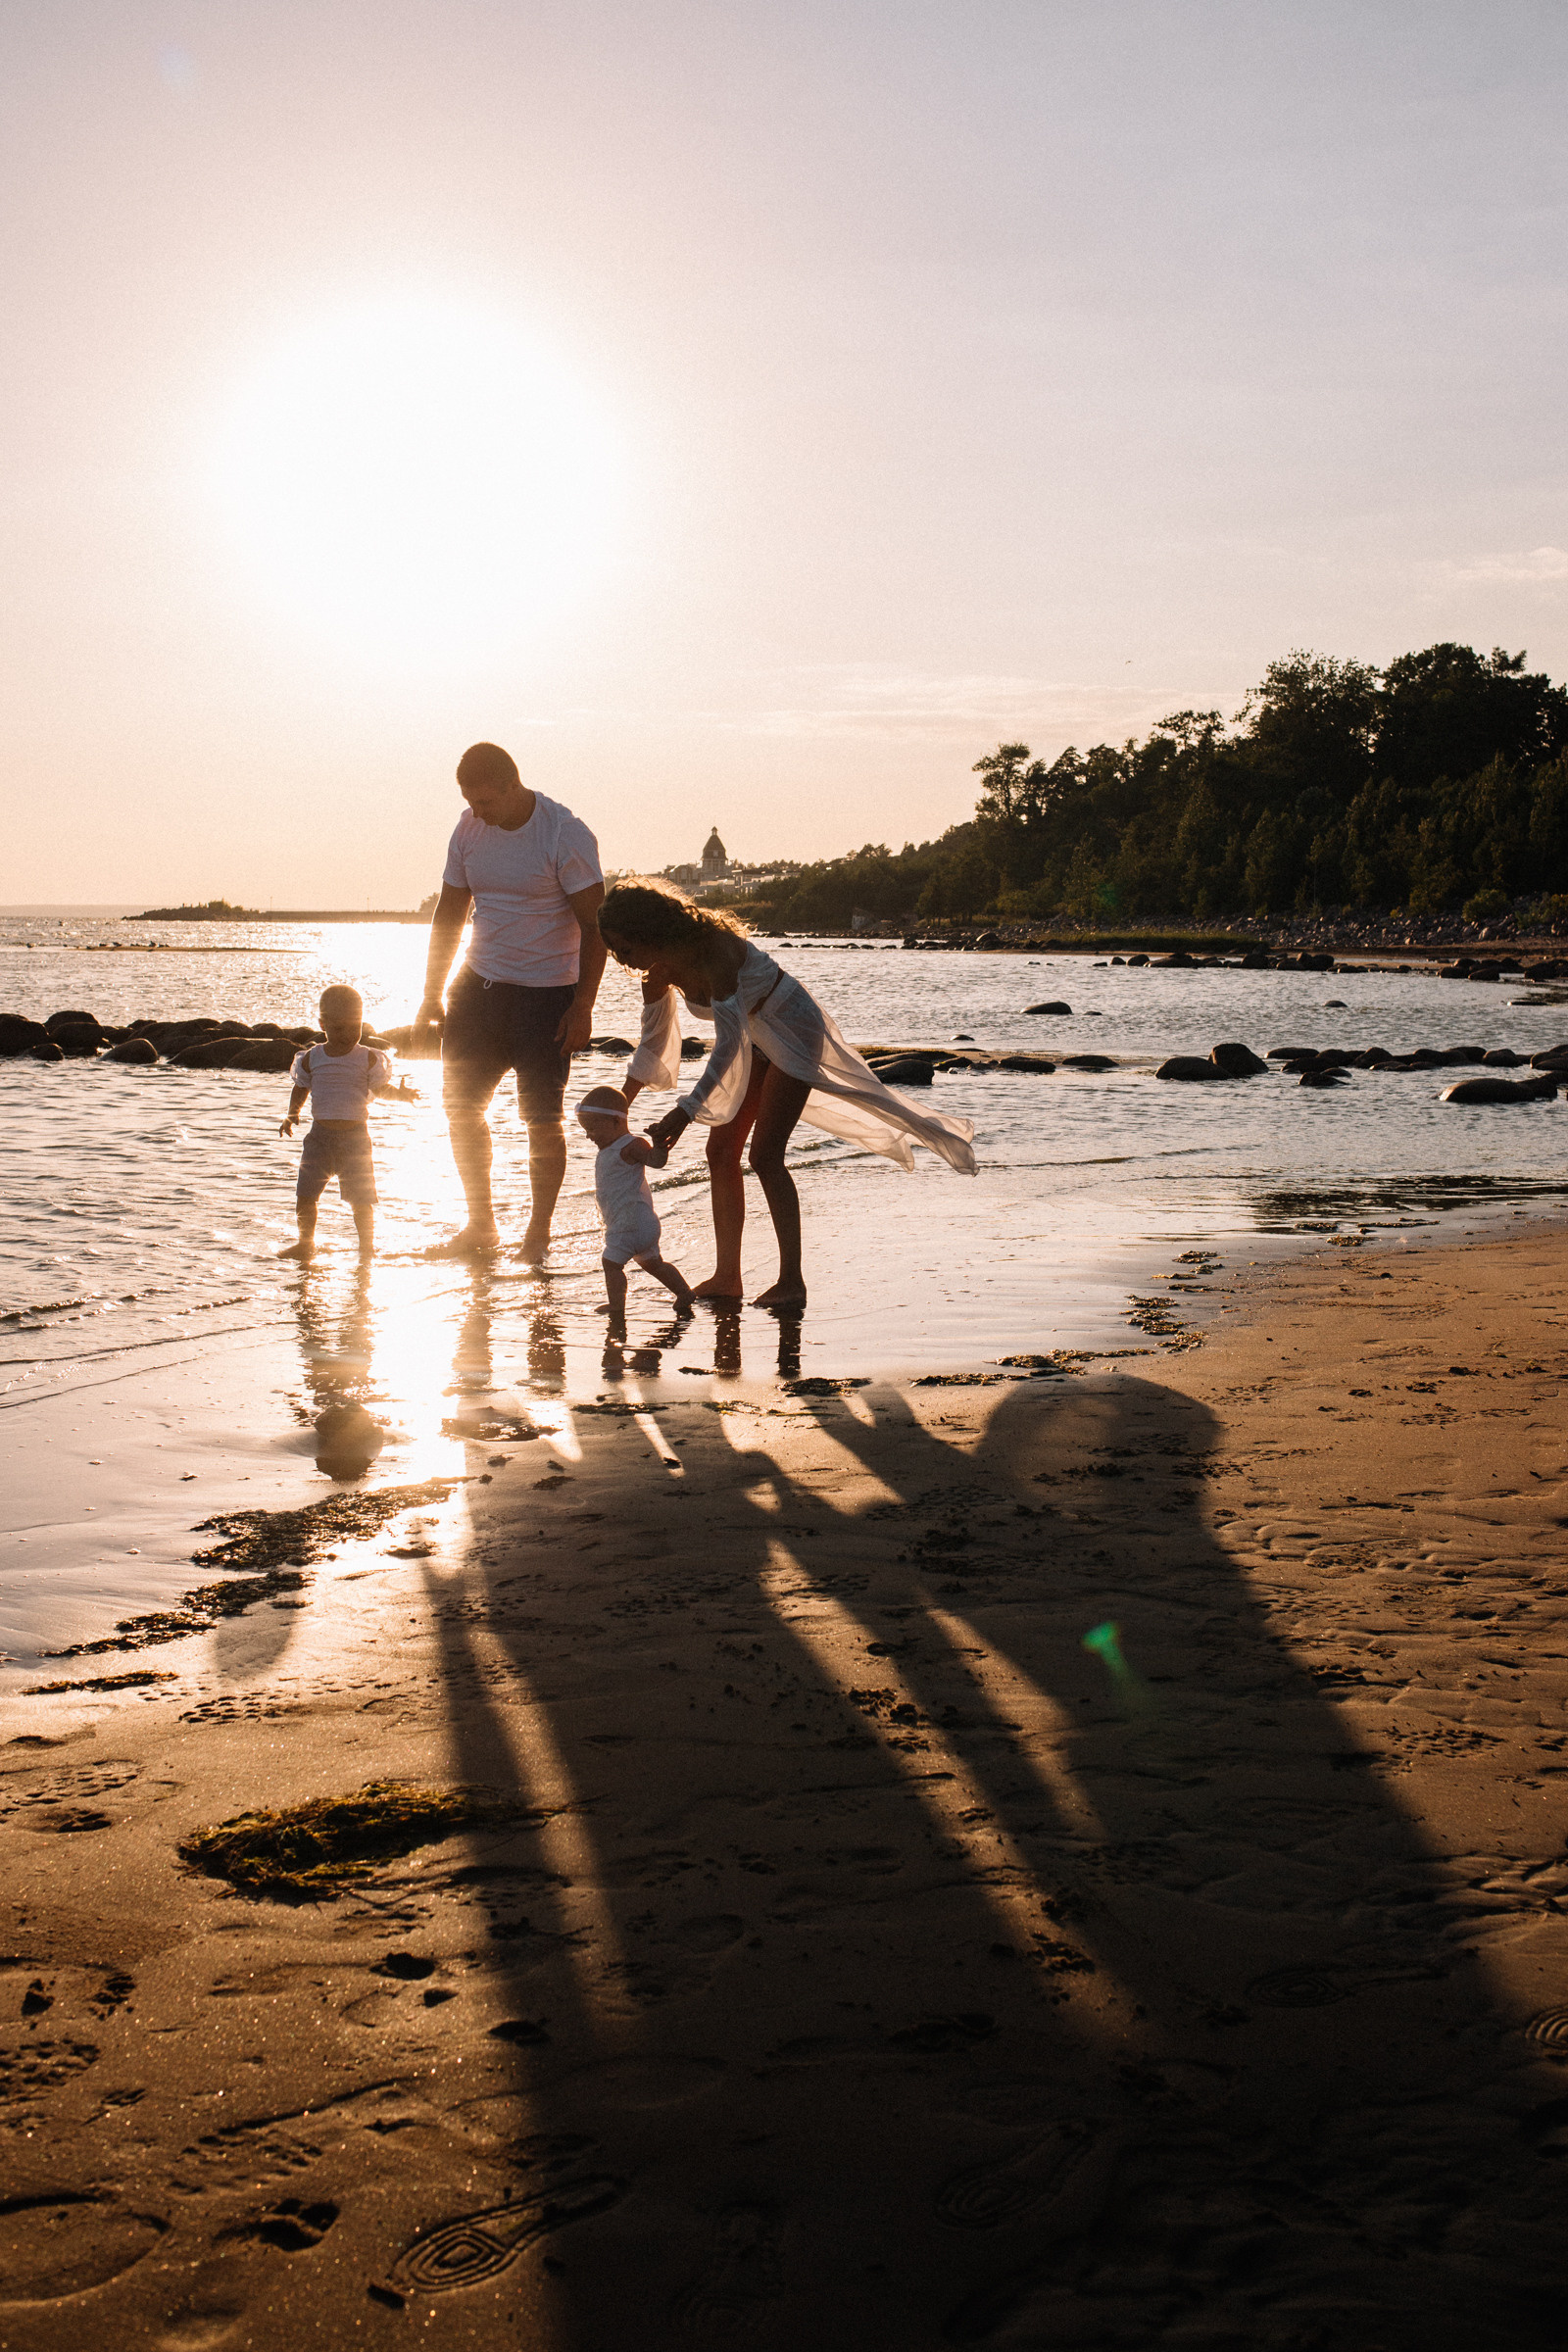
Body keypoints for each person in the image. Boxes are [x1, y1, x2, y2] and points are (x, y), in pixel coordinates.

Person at [601, 881, 976, 1310]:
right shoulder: (657, 972)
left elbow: (727, 1046)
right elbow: (653, 1045)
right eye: (615, 952)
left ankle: (791, 1281)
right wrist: (617, 1108)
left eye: (624, 948)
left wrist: (685, 1112)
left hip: (792, 1026)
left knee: (765, 1154)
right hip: (755, 1037)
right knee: (721, 1151)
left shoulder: (713, 950)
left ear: (648, 930)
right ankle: (728, 1277)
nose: (622, 961)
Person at [414, 742, 606, 1261]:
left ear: (511, 785)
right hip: (478, 989)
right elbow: (450, 911)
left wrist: (584, 1003)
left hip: (548, 995)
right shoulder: (468, 829)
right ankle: (481, 1224)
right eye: (470, 802)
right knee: (460, 1109)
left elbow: (595, 926)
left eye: (486, 803)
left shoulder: (563, 833)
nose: (478, 813)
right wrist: (432, 994)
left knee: (542, 1119)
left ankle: (538, 1232)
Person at [277, 986, 417, 1260]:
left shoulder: (367, 1057)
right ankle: (306, 1243)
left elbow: (380, 1089)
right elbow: (301, 1087)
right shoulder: (312, 1057)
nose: (348, 1035)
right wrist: (292, 1114)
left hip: (355, 1140)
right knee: (306, 1195)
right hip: (319, 1138)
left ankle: (366, 1247)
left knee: (361, 1200)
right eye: (339, 1028)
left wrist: (401, 1095)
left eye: (356, 1027)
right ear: (322, 1024)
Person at [574, 1085, 694, 1321]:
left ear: (617, 1122)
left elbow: (656, 1162)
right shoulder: (610, 1147)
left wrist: (660, 1146)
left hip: (630, 1223)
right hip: (639, 1223)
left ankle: (616, 1307)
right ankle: (684, 1293)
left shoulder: (632, 1145)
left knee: (611, 1264)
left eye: (592, 1128)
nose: (589, 1135)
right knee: (654, 1264)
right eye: (586, 1130)